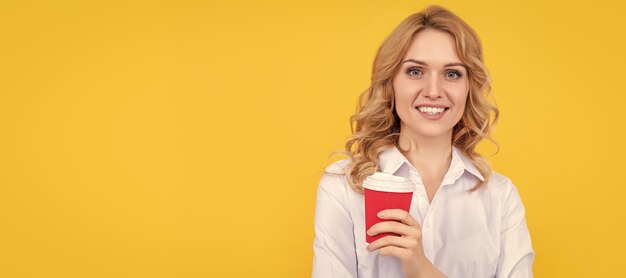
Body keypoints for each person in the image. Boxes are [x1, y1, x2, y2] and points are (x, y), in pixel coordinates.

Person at [311, 5, 534, 278]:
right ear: (390, 83)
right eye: (415, 71)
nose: (433, 91)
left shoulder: (500, 198)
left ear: (469, 88)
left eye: (452, 74)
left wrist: (423, 269)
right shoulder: (343, 187)